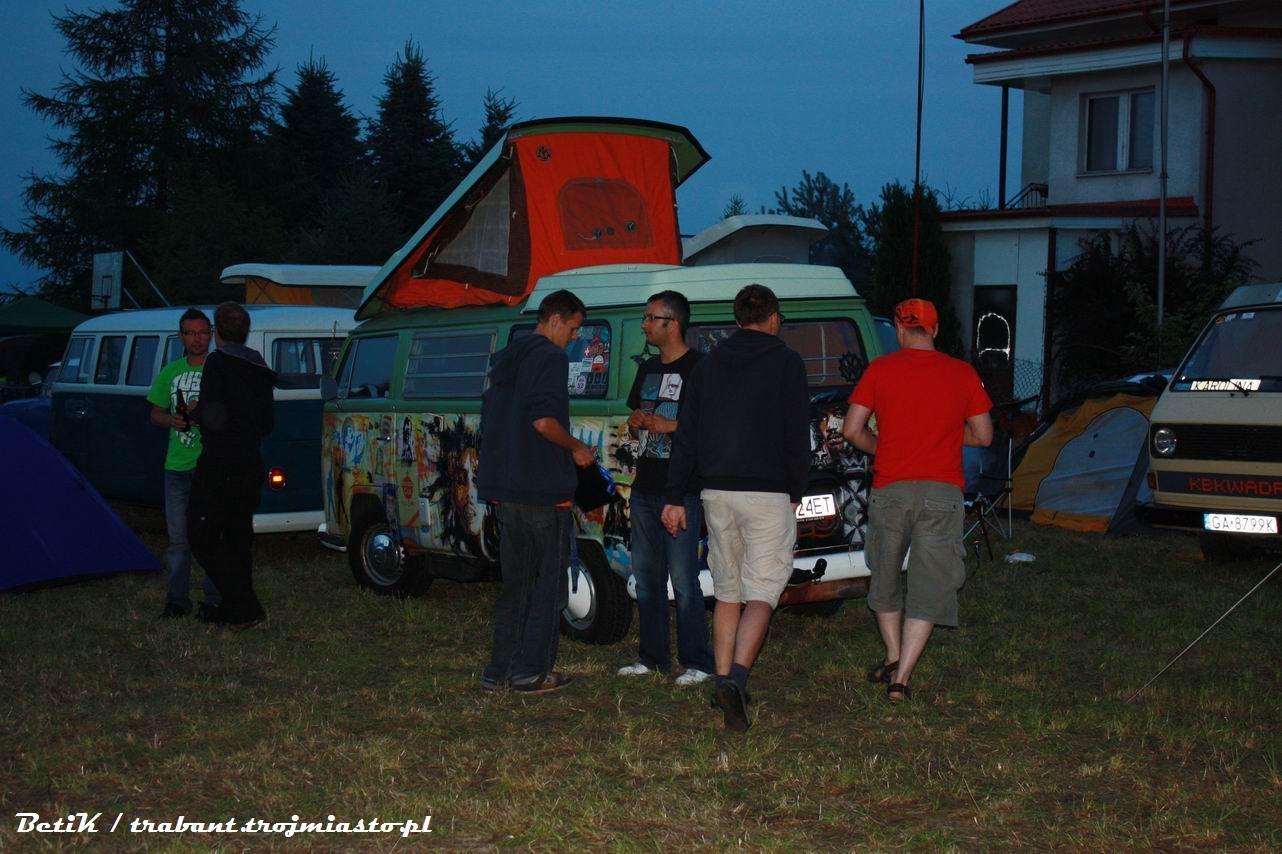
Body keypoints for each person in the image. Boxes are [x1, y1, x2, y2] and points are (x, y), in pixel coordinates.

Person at [662, 284, 810, 732]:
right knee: (762, 591)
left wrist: (674, 496)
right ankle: (737, 681)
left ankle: (722, 679)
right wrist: (797, 490)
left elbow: (687, 434)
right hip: (767, 492)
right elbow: (795, 430)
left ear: (737, 318)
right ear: (774, 318)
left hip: (717, 491)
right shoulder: (787, 362)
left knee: (727, 590)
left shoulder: (708, 365)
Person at [842, 298, 993, 702]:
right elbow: (984, 435)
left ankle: (893, 654)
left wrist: (883, 446)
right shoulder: (962, 373)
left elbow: (852, 429)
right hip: (941, 494)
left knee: (886, 577)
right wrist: (946, 434)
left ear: (898, 329)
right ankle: (901, 678)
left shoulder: (880, 370)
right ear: (935, 330)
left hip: (890, 489)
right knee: (930, 584)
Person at [478, 289, 595, 695]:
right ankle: (530, 672)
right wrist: (576, 448)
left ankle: (499, 671)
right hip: (544, 490)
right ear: (556, 319)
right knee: (548, 586)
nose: (575, 338)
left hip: (508, 489)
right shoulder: (549, 357)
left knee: (517, 585)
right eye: (574, 329)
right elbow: (544, 421)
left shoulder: (507, 359)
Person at [617, 291, 715, 686]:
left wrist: (668, 426)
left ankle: (698, 662)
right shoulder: (647, 368)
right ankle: (652, 658)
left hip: (683, 489)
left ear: (672, 324)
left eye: (650, 317)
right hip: (645, 486)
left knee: (684, 580)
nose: (644, 324)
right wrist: (636, 423)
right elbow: (635, 426)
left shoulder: (701, 368)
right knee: (646, 577)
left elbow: (710, 428)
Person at [188, 302, 275, 629]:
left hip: (219, 462)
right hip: (249, 461)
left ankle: (244, 604)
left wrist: (195, 411)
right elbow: (266, 422)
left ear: (217, 332)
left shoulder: (218, 362)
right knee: (238, 537)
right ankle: (234, 608)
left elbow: (213, 415)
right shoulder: (259, 366)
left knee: (202, 535)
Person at [146, 307, 221, 619]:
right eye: (190, 333)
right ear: (180, 336)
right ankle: (177, 601)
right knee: (178, 540)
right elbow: (155, 413)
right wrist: (171, 420)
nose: (197, 339)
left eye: (202, 332)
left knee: (212, 535)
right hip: (177, 467)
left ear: (211, 334)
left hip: (211, 466)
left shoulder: (220, 370)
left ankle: (214, 600)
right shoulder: (170, 371)